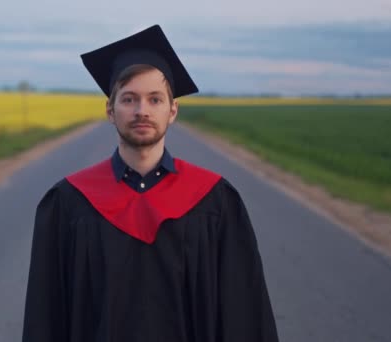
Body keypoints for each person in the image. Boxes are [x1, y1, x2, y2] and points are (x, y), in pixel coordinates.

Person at [22, 25, 279, 342]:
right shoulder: (69, 202)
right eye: (129, 99)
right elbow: (45, 316)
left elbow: (244, 312)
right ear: (110, 110)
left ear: (172, 111)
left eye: (155, 100)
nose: (141, 111)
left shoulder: (215, 200)